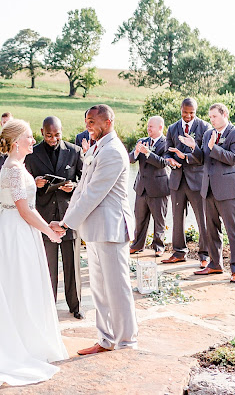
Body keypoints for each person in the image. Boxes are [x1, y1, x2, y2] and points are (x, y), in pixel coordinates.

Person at [0, 119, 68, 387]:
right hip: (13, 233)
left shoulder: (17, 166)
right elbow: (23, 209)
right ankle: (13, 346)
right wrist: (48, 231)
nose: (34, 141)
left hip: (18, 228)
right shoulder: (12, 169)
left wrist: (48, 225)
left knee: (22, 285)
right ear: (18, 141)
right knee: (16, 284)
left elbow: (27, 207)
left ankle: (27, 338)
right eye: (30, 137)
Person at [52, 104, 138, 354]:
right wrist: (66, 220)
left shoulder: (113, 151)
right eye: (86, 121)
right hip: (96, 229)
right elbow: (81, 188)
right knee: (100, 289)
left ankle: (127, 342)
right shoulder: (98, 148)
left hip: (111, 228)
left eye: (91, 122)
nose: (87, 126)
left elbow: (93, 193)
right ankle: (106, 339)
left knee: (117, 288)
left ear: (107, 123)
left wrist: (67, 224)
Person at [25, 116, 84, 319]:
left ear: (62, 131)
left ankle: (75, 307)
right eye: (49, 135)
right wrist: (35, 182)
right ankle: (48, 307)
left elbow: (84, 182)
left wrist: (74, 186)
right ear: (42, 132)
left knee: (73, 266)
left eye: (57, 134)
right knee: (48, 266)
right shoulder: (31, 154)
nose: (53, 138)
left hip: (69, 216)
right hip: (44, 217)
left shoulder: (75, 151)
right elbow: (22, 188)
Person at [187, 103, 235, 283]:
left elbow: (234, 159)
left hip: (229, 190)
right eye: (210, 117)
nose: (211, 120)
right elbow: (201, 160)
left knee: (233, 231)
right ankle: (215, 264)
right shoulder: (207, 134)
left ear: (224, 115)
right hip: (208, 189)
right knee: (211, 230)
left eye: (214, 116)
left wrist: (214, 147)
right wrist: (193, 148)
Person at [161, 98, 212, 268]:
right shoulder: (172, 128)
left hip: (197, 181)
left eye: (192, 113)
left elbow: (205, 155)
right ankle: (179, 252)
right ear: (180, 109)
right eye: (185, 112)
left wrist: (185, 158)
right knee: (177, 219)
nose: (188, 116)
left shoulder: (205, 128)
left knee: (202, 219)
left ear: (196, 111)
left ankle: (205, 255)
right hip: (176, 180)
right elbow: (166, 152)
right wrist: (170, 161)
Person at [128, 116, 170, 256]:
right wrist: (136, 152)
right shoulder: (142, 141)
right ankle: (137, 245)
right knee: (139, 218)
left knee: (159, 219)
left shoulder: (167, 143)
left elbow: (163, 163)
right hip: (141, 187)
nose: (149, 129)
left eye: (151, 126)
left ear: (160, 127)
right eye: (148, 126)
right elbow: (131, 160)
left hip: (158, 187)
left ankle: (159, 246)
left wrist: (148, 153)